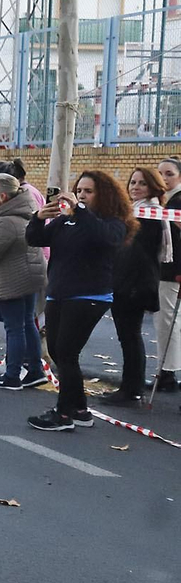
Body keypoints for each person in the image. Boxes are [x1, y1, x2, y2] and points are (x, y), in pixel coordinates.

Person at [24, 171, 135, 431]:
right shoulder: (66, 221)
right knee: (56, 351)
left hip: (89, 295)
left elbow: (106, 239)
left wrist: (80, 210)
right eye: (79, 190)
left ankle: (63, 413)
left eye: (88, 191)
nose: (82, 195)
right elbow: (35, 239)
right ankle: (80, 409)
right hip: (59, 291)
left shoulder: (112, 222)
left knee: (67, 352)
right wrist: (38, 218)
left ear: (103, 195)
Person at [0, 173, 49, 391]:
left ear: (3, 196)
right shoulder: (25, 213)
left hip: (12, 279)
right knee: (27, 323)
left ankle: (13, 374)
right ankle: (35, 370)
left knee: (14, 327)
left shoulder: (5, 220)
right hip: (29, 276)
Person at [107, 168, 165, 403]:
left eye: (142, 183)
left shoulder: (149, 214)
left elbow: (138, 253)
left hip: (134, 284)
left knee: (130, 336)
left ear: (152, 187)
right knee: (128, 336)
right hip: (126, 281)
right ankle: (130, 386)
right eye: (132, 182)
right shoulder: (135, 211)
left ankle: (131, 388)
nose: (135, 186)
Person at [152, 158, 181, 393]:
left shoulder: (177, 202)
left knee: (167, 321)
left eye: (169, 174)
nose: (163, 178)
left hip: (172, 271)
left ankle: (167, 372)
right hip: (163, 269)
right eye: (160, 174)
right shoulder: (164, 201)